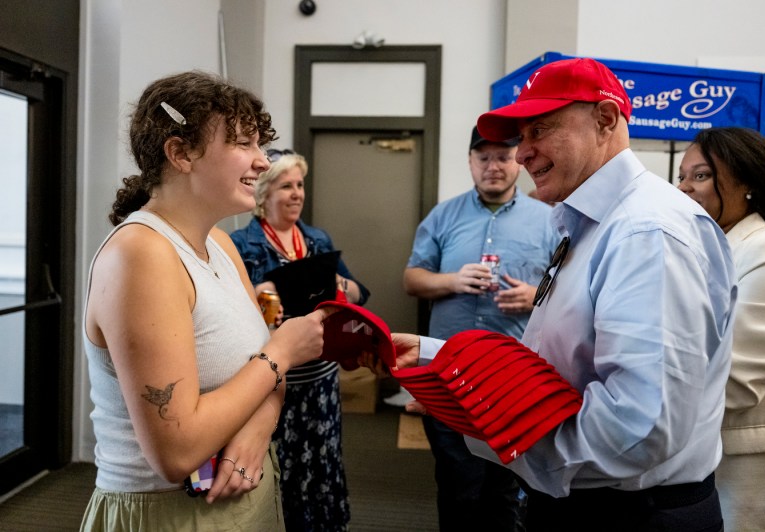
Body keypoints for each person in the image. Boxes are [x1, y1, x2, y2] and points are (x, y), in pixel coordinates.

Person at [366, 57, 737, 532]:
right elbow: (557, 362)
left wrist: (508, 438)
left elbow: (639, 428)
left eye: (538, 130)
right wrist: (437, 358)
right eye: (521, 136)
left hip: (628, 515)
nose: (521, 154)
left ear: (605, 119)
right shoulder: (589, 223)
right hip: (591, 501)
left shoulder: (647, 232)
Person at [81, 71, 333, 531]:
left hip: (240, 493)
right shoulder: (141, 256)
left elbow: (254, 371)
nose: (261, 162)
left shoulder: (220, 242)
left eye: (260, 145)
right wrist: (282, 352)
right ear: (179, 153)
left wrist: (259, 427)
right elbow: (176, 452)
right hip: (171, 512)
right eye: (243, 144)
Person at [402, 125, 560, 531]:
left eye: (503, 157)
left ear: (518, 161)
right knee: (458, 486)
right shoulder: (443, 215)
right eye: (483, 157)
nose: (493, 166)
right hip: (448, 379)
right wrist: (452, 281)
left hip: (515, 381)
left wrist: (534, 295)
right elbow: (412, 279)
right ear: (471, 162)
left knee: (506, 491)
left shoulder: (548, 219)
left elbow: (570, 290)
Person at [230, 149, 369, 532]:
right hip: (273, 382)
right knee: (280, 468)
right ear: (263, 193)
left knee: (323, 466)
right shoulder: (240, 245)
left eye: (300, 185)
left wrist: (343, 288)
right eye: (285, 186)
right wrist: (262, 296)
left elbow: (359, 292)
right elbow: (233, 316)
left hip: (322, 381)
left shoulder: (317, 239)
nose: (296, 194)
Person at [677, 127, 765, 531]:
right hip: (704, 452)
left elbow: (739, 379)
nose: (684, 188)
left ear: (746, 182)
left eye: (700, 175)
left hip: (756, 460)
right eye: (681, 176)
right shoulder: (706, 252)